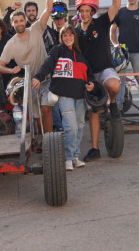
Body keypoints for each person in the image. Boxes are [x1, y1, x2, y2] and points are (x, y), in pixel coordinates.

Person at [0, 0, 54, 133]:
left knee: (47, 109)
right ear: (12, 24)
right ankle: (42, 142)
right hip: (29, 83)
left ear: (25, 21)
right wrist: (11, 70)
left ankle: (49, 141)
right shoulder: (11, 44)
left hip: (45, 78)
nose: (20, 23)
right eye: (16, 21)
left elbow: (48, 9)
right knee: (36, 116)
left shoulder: (35, 28)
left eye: (22, 20)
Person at [75, 0, 121, 162]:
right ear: (78, 11)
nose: (85, 13)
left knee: (114, 84)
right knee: (93, 110)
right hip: (89, 76)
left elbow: (117, 5)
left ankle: (112, 105)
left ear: (92, 10)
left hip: (105, 69)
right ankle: (95, 148)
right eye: (82, 10)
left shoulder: (102, 22)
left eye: (87, 10)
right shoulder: (74, 31)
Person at [33, 23, 94, 170]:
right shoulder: (57, 51)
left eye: (70, 34)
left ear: (75, 37)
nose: (68, 37)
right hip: (64, 95)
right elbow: (47, 64)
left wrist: (92, 84)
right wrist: (38, 77)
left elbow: (89, 76)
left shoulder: (81, 57)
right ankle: (67, 157)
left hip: (80, 96)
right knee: (70, 127)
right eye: (64, 35)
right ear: (61, 37)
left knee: (79, 126)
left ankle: (74, 156)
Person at [110, 0, 139, 114]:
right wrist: (115, 44)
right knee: (120, 79)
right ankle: (118, 105)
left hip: (137, 51)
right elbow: (112, 31)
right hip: (122, 52)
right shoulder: (120, 12)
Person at [49, 0, 70, 132]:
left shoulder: (72, 33)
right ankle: (58, 127)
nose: (59, 21)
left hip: (69, 72)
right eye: (56, 19)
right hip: (54, 73)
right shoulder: (48, 34)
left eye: (61, 19)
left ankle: (67, 126)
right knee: (54, 101)